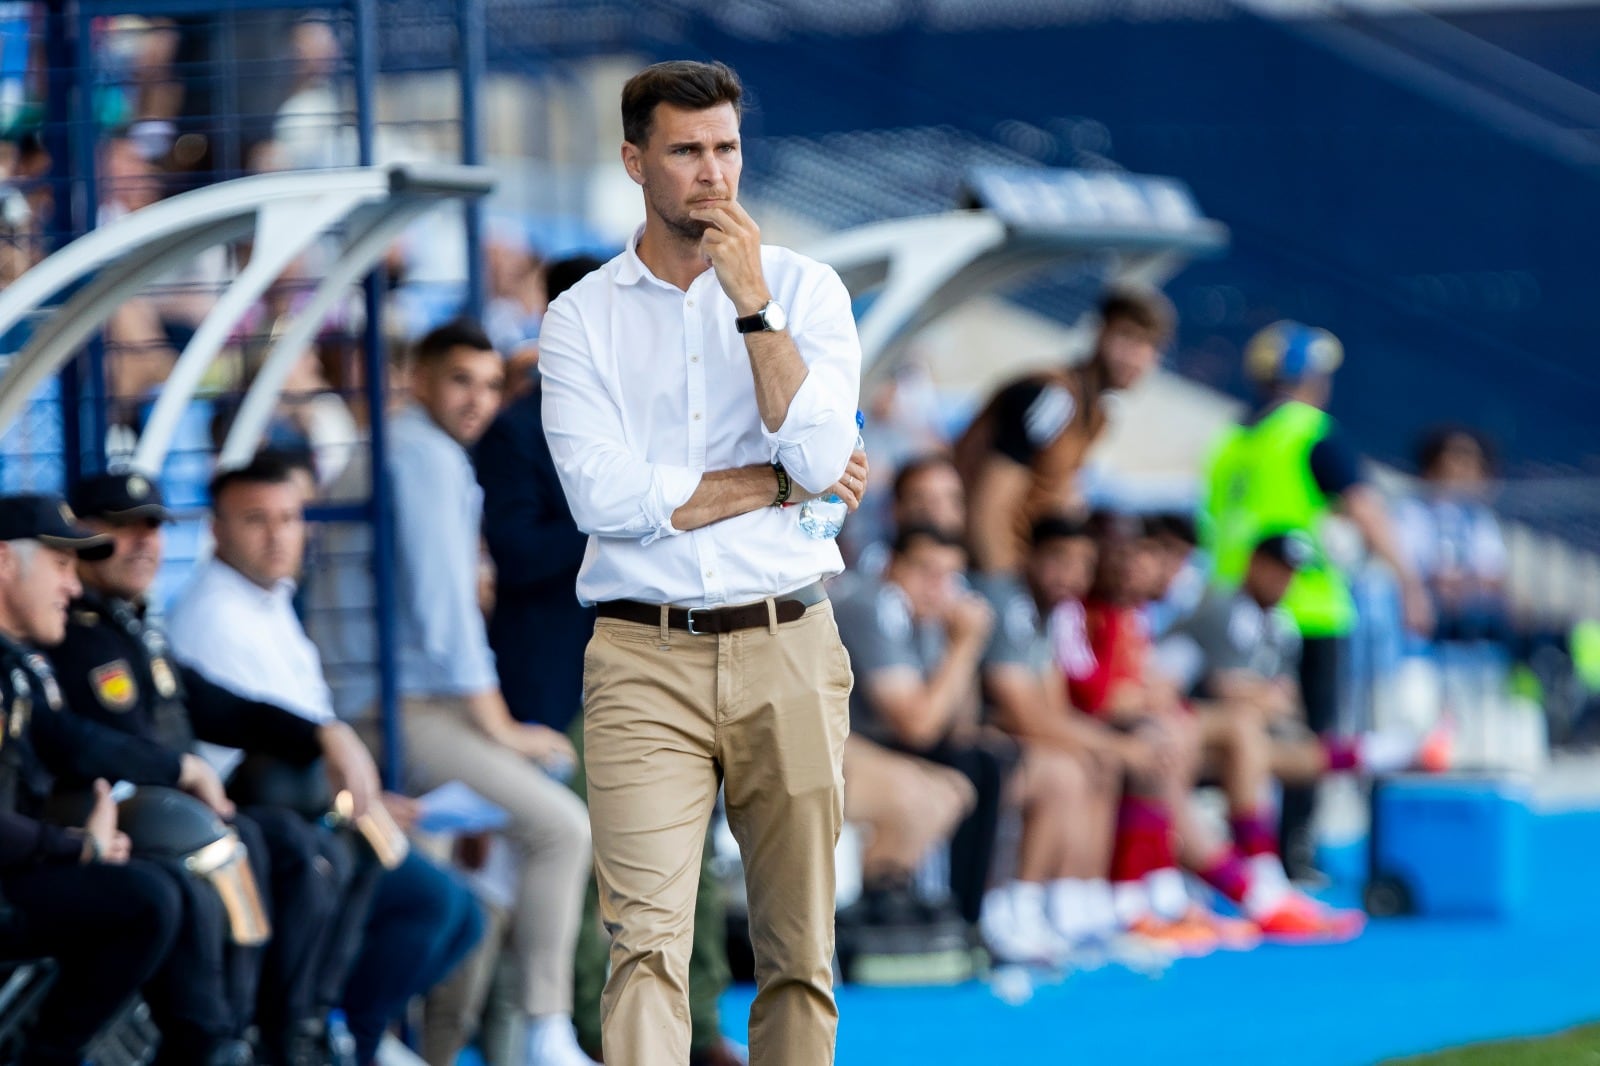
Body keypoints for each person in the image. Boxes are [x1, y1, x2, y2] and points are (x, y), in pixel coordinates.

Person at [538, 60, 867, 1066]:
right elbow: (607, 503)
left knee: (799, 949)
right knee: (643, 947)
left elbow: (816, 455)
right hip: (641, 659)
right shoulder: (579, 318)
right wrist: (768, 486)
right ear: (636, 160)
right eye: (686, 151)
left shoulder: (805, 289)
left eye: (725, 148)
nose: (712, 174)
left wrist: (753, 304)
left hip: (790, 640)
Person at [476, 253, 745, 1066]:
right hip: (569, 678)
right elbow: (516, 553)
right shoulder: (516, 431)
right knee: (613, 860)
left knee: (692, 846)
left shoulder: (651, 416)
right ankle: (606, 1030)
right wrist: (622, 520)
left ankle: (696, 1024)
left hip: (674, 657)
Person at [45, 470, 382, 1065]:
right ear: (78, 539)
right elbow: (84, 743)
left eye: (152, 527)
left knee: (314, 847)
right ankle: (231, 1041)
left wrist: (324, 732)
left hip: (174, 813)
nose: (143, 542)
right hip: (122, 824)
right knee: (252, 841)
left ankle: (292, 1031)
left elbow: (217, 706)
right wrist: (179, 767)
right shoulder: (70, 631)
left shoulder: (131, 626)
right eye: (120, 529)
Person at [166, 454, 486, 1065]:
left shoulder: (269, 598)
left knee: (459, 912)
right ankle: (346, 1039)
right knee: (435, 906)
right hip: (268, 826)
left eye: (288, 518)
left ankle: (350, 1035)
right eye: (256, 519)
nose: (277, 534)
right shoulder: (214, 617)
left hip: (313, 809)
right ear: (216, 528)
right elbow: (265, 751)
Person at [384, 318, 593, 1066]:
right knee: (560, 828)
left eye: (489, 384)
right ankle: (545, 1030)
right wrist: (499, 728)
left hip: (422, 704)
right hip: (405, 710)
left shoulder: (430, 454)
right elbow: (446, 620)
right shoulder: (426, 458)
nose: (477, 400)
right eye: (458, 382)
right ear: (418, 378)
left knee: (484, 862)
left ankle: (463, 1041)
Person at [1200, 320, 1432, 878]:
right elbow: (1362, 507)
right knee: (1311, 734)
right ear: (1308, 378)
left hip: (1234, 609)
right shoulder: (1307, 432)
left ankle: (1246, 849)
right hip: (1307, 606)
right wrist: (1408, 581)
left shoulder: (1232, 440)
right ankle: (1292, 851)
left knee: (1247, 729)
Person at [0, 494, 182, 1065]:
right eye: (59, 566)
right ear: (4, 563)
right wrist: (77, 848)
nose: (74, 587)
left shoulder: (17, 666)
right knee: (145, 900)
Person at [954, 285, 1174, 579]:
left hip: (1023, 569)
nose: (1136, 356)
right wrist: (1004, 589)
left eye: (1149, 345)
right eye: (1127, 337)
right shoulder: (1051, 398)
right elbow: (987, 509)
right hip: (975, 566)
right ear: (1099, 332)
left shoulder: (1097, 415)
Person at [1393, 426, 1509, 646]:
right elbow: (1409, 565)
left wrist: (1465, 583)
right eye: (1454, 462)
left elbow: (1494, 572)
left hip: (1472, 621)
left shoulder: (1479, 518)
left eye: (1470, 465)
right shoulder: (1411, 512)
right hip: (1422, 619)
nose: (1462, 473)